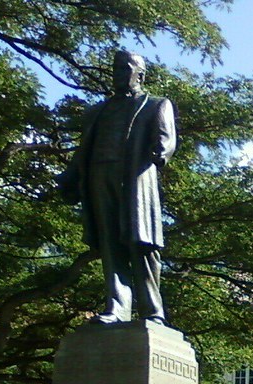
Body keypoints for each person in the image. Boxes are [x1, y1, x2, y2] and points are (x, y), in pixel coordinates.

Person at [58, 51, 177, 324]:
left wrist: (161, 151)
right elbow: (83, 151)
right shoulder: (96, 112)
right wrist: (70, 176)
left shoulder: (156, 104)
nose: (118, 74)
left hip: (134, 178)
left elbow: (166, 138)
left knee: (141, 245)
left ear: (140, 75)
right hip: (100, 177)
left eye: (125, 69)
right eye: (115, 69)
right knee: (111, 244)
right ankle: (117, 308)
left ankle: (152, 311)